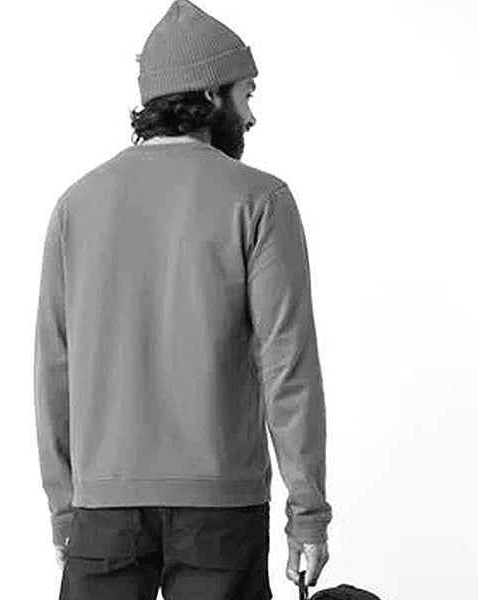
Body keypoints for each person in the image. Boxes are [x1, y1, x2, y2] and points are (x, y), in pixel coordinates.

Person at [33, 1, 333, 598]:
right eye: (246, 94)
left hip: (104, 511)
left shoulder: (77, 204)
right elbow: (288, 368)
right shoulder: (261, 199)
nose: (251, 115)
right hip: (221, 509)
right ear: (211, 95)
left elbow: (53, 368)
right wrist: (307, 514)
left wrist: (65, 507)